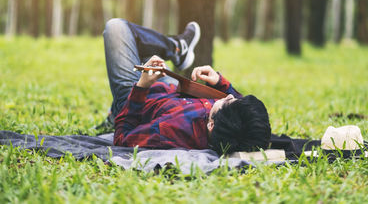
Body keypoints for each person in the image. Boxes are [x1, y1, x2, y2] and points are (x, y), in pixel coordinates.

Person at [102, 18, 271, 155]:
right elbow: (239, 108)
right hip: (172, 91)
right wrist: (220, 82)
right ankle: (177, 48)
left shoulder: (167, 131)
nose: (228, 95)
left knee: (116, 28)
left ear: (211, 125)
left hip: (135, 97)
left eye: (227, 101)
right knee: (148, 52)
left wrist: (141, 87)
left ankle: (176, 48)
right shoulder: (229, 125)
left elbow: (122, 140)